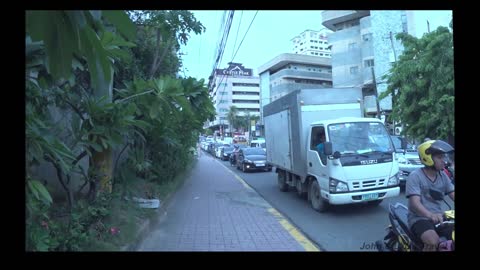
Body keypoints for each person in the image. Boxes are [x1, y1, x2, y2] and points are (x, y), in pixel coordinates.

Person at [405, 140, 455, 251]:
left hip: (440, 218)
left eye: (444, 157)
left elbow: (453, 194)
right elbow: (414, 203)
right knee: (433, 241)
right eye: (440, 158)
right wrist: (430, 215)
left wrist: (436, 216)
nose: (444, 161)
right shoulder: (415, 176)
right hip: (419, 219)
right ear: (428, 158)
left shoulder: (443, 176)